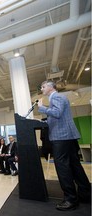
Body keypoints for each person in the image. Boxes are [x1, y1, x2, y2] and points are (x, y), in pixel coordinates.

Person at [38, 80, 91, 211]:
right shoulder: (57, 98)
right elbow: (57, 115)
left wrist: (42, 107)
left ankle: (70, 199)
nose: (42, 89)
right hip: (67, 137)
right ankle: (85, 194)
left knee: (63, 168)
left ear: (50, 87)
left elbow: (57, 113)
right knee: (75, 166)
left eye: (43, 86)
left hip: (61, 137)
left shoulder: (56, 97)